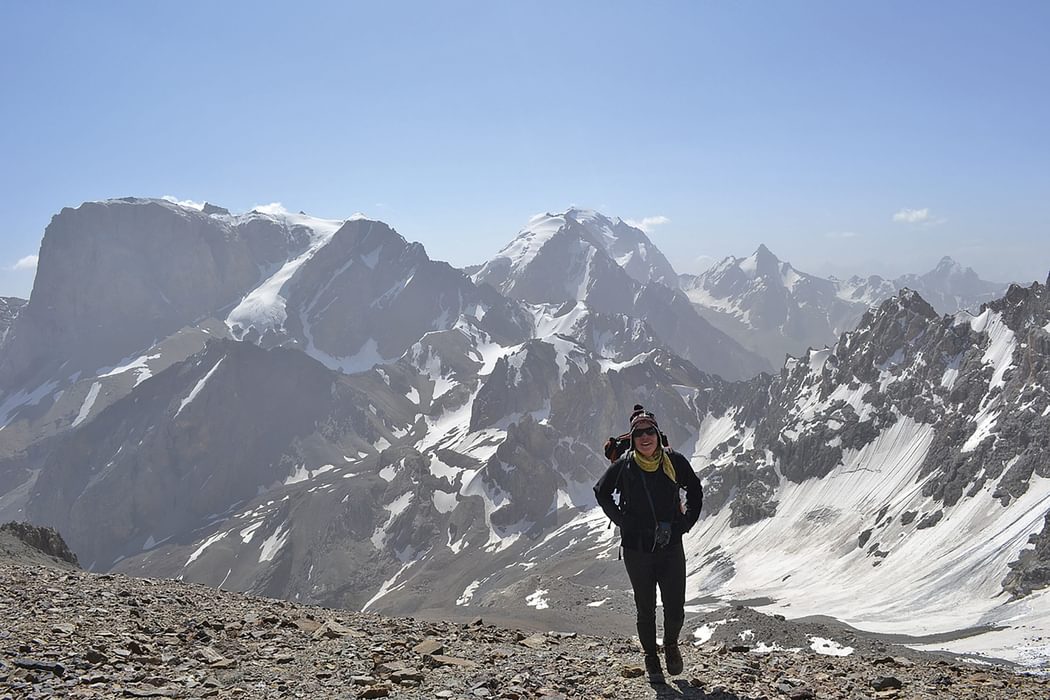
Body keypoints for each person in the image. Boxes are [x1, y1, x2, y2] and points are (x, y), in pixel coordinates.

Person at [594, 404, 703, 684]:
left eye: (649, 432)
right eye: (639, 433)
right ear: (632, 438)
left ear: (657, 434)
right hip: (637, 548)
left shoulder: (674, 460)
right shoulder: (624, 465)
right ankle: (651, 658)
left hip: (670, 546)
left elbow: (694, 488)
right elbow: (601, 492)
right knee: (646, 607)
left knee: (675, 606)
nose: (645, 438)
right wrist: (621, 521)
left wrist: (686, 522)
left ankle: (670, 644)